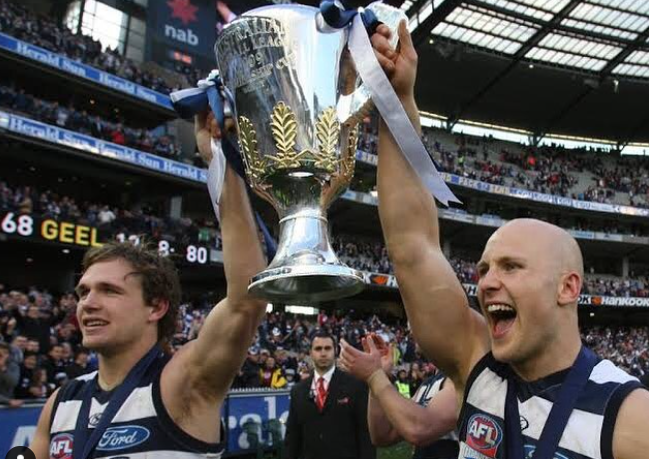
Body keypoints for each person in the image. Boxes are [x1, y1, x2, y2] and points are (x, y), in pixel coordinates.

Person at [371, 20, 649, 459]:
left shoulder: (629, 415)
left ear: (568, 287)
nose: (485, 282)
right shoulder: (476, 365)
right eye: (483, 269)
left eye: (510, 267)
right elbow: (411, 247)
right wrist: (397, 101)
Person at [30, 108, 267, 458]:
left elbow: (246, 300)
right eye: (83, 291)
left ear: (156, 306)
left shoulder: (183, 381)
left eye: (109, 290)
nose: (87, 303)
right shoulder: (61, 401)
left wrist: (220, 159)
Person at [340, 334, 458, 459]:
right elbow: (383, 435)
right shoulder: (429, 383)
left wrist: (375, 375)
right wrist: (381, 374)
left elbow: (418, 429)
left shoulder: (463, 378)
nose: (412, 331)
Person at [284, 331, 375, 459]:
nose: (323, 353)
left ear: (335, 351)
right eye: (318, 349)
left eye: (327, 348)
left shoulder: (355, 386)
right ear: (310, 353)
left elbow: (364, 434)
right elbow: (292, 436)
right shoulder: (298, 391)